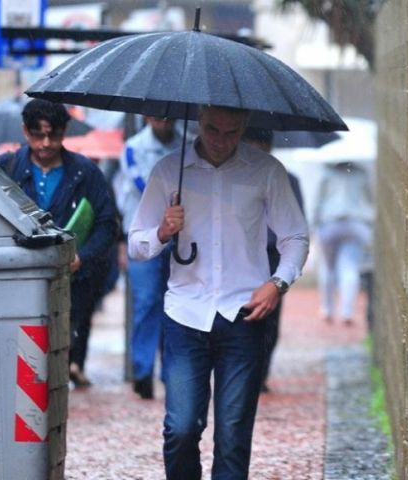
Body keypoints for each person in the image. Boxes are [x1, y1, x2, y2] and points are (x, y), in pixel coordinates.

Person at [128, 106, 309, 479]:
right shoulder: (168, 170)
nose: (220, 140)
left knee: (233, 434)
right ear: (199, 123)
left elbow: (295, 237)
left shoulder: (266, 171)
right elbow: (137, 245)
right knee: (181, 428)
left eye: (230, 132)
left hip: (243, 315)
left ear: (243, 127)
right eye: (213, 129)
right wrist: (162, 231)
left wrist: (278, 283)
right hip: (185, 314)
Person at [0, 99, 118, 388]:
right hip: (18, 279)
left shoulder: (85, 173)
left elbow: (106, 224)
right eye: (39, 135)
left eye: (54, 135)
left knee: (63, 344)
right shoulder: (6, 168)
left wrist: (82, 257)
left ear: (65, 132)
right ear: (26, 132)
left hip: (73, 279)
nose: (46, 143)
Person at [113, 116, 182, 399]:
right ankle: (143, 371)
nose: (163, 121)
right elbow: (143, 184)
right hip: (145, 234)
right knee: (145, 302)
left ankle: (171, 371)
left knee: (175, 304)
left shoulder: (187, 144)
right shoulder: (133, 147)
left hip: (179, 238)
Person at [240, 127, 305, 393]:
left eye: (262, 143)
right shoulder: (236, 178)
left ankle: (261, 372)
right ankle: (242, 370)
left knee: (270, 316)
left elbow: (298, 226)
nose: (257, 149)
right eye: (252, 142)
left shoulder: (288, 180)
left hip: (273, 253)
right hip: (243, 253)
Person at [313, 160, 375, 325]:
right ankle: (347, 312)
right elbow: (369, 201)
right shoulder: (361, 173)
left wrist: (313, 226)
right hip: (355, 224)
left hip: (329, 223)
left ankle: (327, 309)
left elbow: (317, 202)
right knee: (350, 267)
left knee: (327, 267)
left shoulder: (326, 172)